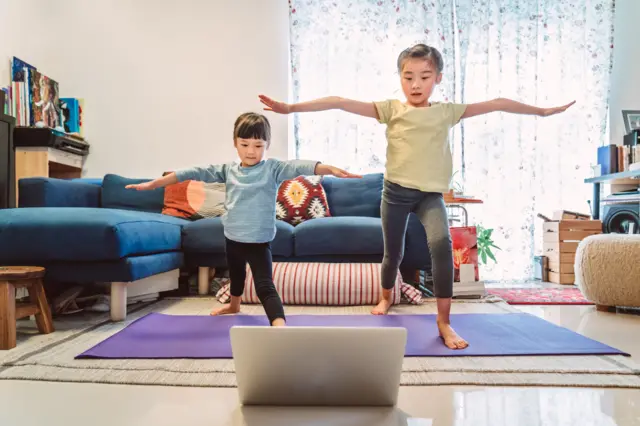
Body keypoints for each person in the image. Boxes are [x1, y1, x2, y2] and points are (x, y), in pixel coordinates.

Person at [259, 44, 574, 347]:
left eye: (425, 76)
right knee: (392, 253)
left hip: (429, 197)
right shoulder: (390, 109)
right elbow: (339, 101)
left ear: (437, 78)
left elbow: (497, 103)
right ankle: (385, 297)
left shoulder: (446, 112)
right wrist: (289, 108)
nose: (416, 83)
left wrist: (542, 112)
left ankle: (443, 320)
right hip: (395, 194)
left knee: (440, 243)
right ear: (400, 78)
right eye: (408, 76)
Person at [126, 112, 361, 326]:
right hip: (232, 237)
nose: (251, 151)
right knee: (235, 275)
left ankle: (279, 324)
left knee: (264, 286)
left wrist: (330, 169)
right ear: (235, 143)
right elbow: (193, 172)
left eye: (258, 145)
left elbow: (300, 166)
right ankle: (234, 305)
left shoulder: (273, 169)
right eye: (245, 144)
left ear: (267, 145)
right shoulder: (228, 170)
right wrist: (156, 183)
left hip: (258, 241)